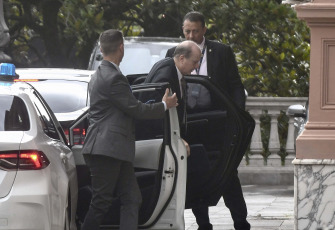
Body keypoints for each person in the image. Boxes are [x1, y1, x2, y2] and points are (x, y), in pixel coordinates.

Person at [80, 29, 178, 230]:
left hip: (113, 149)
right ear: (121, 48)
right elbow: (135, 109)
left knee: (132, 198)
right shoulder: (114, 78)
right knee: (101, 202)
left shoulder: (100, 74)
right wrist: (163, 105)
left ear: (101, 48)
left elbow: (123, 106)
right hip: (107, 149)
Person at [166, 11, 250, 230]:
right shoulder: (173, 53)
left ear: (204, 30)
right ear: (182, 31)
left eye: (195, 30)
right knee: (194, 172)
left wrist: (237, 114)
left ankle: (240, 221)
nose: (191, 35)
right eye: (187, 31)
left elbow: (235, 86)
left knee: (228, 172)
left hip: (216, 122)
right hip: (189, 123)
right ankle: (203, 223)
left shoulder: (221, 52)